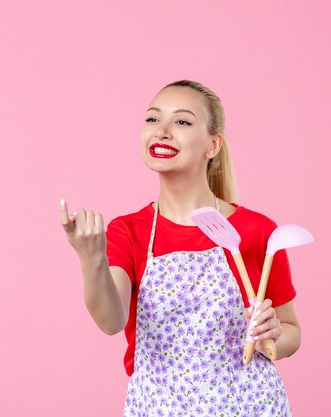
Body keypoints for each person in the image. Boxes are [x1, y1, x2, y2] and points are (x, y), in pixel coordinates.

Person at [59, 80, 301, 416]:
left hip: (250, 407)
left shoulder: (257, 231)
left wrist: (270, 338)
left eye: (182, 122)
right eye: (153, 119)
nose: (162, 131)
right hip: (158, 408)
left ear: (213, 144)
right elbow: (112, 321)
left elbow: (291, 332)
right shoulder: (129, 230)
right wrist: (91, 258)